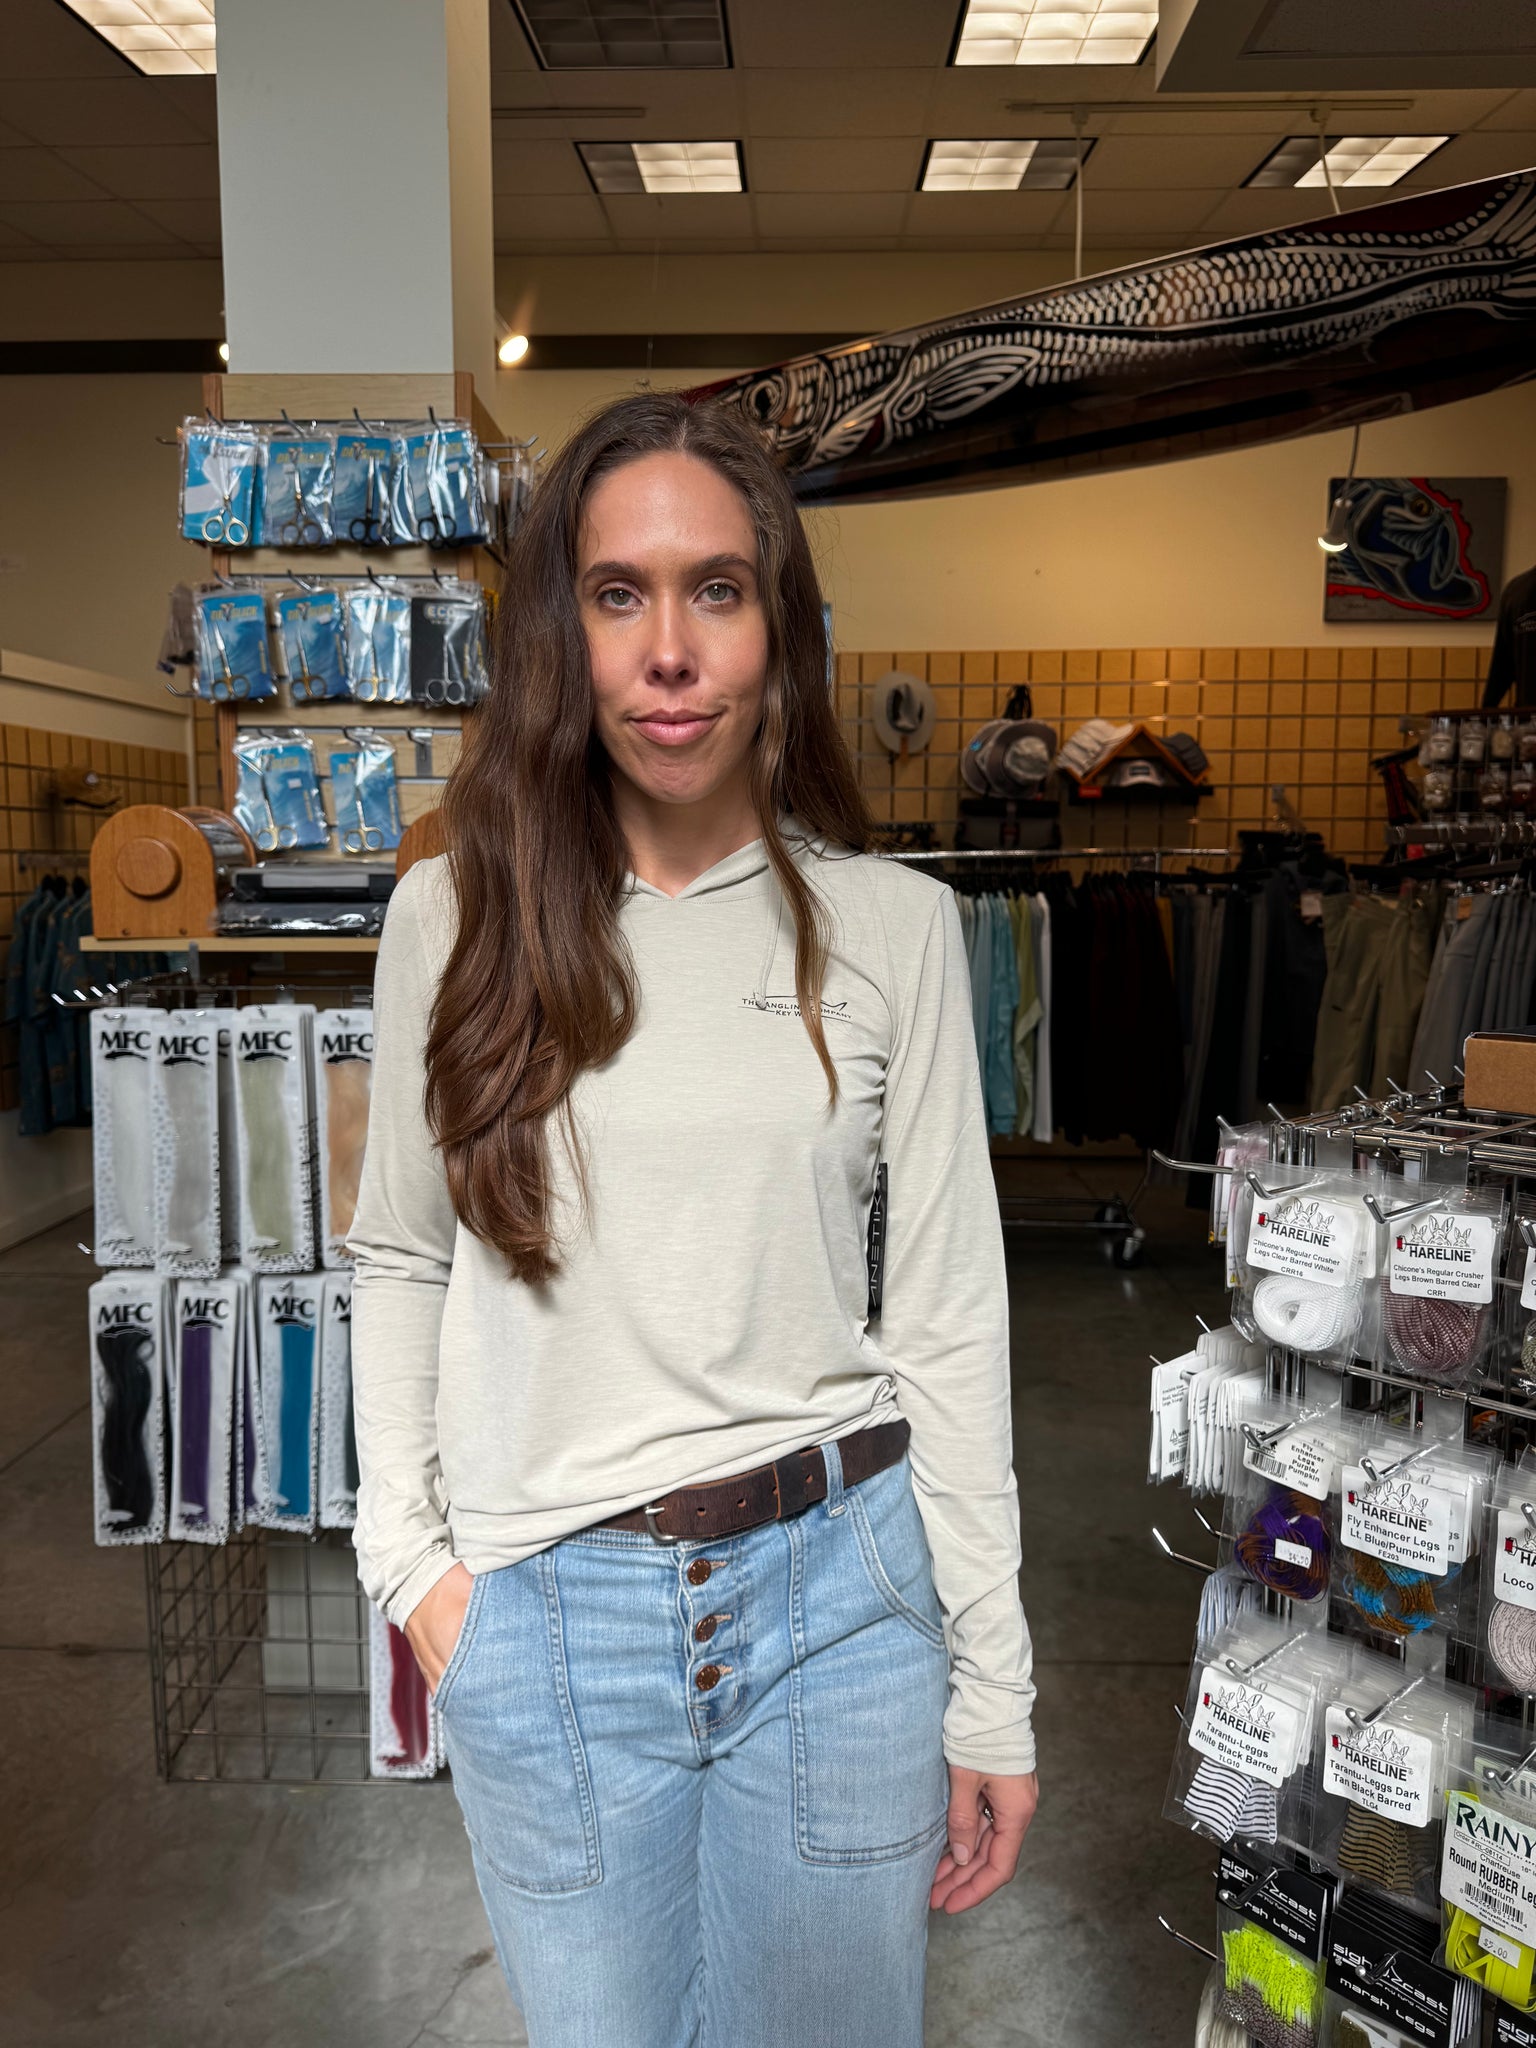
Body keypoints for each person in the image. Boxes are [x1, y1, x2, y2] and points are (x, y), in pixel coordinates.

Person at [348, 391, 1038, 2047]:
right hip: (547, 1626)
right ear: (560, 633)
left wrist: (995, 1686)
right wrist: (410, 1567)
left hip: (843, 1610)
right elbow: (402, 1252)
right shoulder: (453, 915)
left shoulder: (895, 930)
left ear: (780, 630)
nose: (669, 651)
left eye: (717, 591)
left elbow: (947, 1320)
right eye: (619, 594)